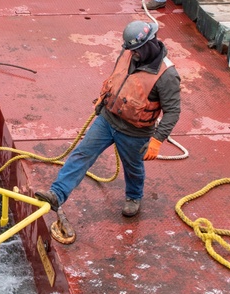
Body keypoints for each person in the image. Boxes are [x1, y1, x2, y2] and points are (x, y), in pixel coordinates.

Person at [35, 18, 181, 224]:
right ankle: (57, 194)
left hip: (134, 132)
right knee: (82, 153)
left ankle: (133, 197)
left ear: (150, 43)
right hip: (107, 119)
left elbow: (173, 111)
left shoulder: (167, 75)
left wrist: (157, 140)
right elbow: (117, 80)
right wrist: (103, 104)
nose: (134, 54)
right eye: (133, 50)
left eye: (138, 49)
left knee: (133, 167)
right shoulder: (128, 54)